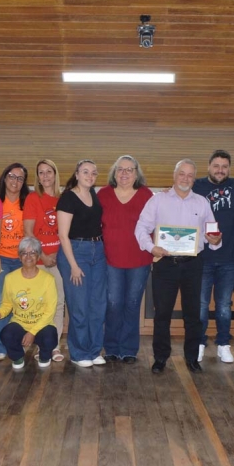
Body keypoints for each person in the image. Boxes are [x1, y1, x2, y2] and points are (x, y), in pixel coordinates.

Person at [134, 159, 221, 374]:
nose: (185, 178)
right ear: (174, 175)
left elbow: (213, 232)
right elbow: (140, 229)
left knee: (193, 314)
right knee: (162, 313)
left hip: (193, 264)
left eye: (190, 175)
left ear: (194, 178)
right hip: (165, 264)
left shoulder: (202, 203)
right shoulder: (158, 201)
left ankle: (192, 358)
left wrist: (215, 240)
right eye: (182, 173)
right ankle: (160, 358)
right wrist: (151, 247)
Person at [192, 150, 234, 363]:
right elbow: (177, 194)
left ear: (229, 168)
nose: (220, 170)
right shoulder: (196, 186)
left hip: (229, 258)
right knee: (200, 304)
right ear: (208, 166)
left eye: (224, 166)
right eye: (216, 166)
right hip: (202, 257)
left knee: (224, 305)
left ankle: (223, 344)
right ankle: (199, 343)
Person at [97, 155, 153, 363]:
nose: (124, 173)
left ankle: (129, 349)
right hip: (110, 260)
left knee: (132, 303)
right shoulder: (103, 194)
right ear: (114, 172)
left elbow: (156, 224)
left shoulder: (147, 195)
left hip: (140, 260)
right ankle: (111, 347)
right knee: (113, 304)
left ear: (136, 173)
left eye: (129, 170)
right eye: (120, 169)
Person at [57, 159, 108, 368]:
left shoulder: (94, 195)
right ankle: (79, 353)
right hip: (76, 253)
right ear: (76, 174)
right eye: (85, 172)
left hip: (98, 252)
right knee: (79, 306)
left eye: (93, 173)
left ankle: (94, 350)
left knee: (97, 306)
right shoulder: (68, 198)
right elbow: (62, 235)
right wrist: (74, 265)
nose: (90, 175)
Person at [0, 237, 58, 370]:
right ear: (19, 257)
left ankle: (45, 355)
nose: (28, 256)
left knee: (50, 336)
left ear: (38, 256)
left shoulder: (48, 279)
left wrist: (32, 332)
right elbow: (7, 304)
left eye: (32, 252)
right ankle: (17, 357)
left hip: (41, 325)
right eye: (24, 253)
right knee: (6, 334)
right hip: (20, 322)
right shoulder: (10, 278)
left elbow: (50, 311)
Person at [23, 159, 66, 362]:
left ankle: (54, 346)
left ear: (55, 174)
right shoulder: (33, 198)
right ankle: (42, 347)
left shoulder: (65, 198)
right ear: (37, 177)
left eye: (49, 171)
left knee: (58, 304)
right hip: (40, 261)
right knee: (40, 305)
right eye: (41, 173)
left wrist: (59, 255)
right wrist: (43, 256)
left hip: (61, 261)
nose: (46, 176)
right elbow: (29, 232)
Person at [0, 163, 29, 361]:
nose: (15, 181)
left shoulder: (27, 202)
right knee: (0, 302)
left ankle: (15, 344)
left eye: (20, 178)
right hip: (1, 258)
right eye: (12, 176)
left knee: (21, 303)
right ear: (4, 178)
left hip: (23, 260)